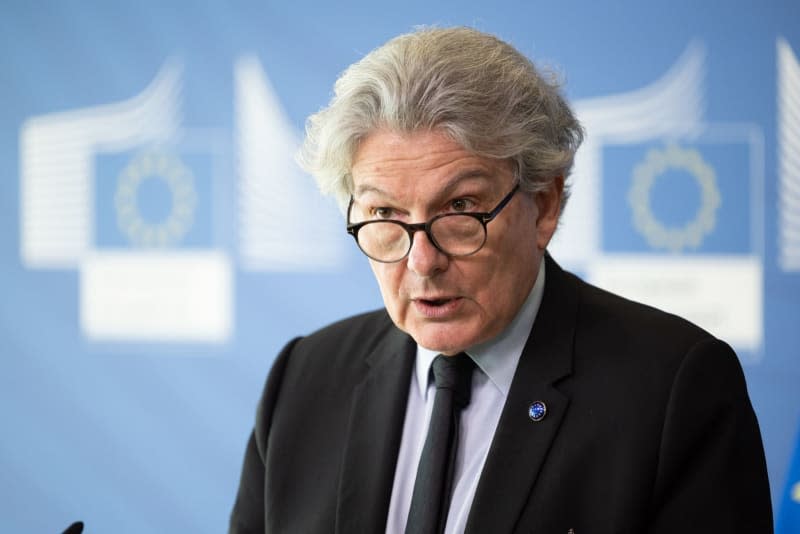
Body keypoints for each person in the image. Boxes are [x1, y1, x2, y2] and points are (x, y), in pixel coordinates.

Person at [229, 27, 772, 533]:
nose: (422, 261)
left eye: (461, 208)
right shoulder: (303, 379)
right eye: (385, 216)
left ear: (544, 205)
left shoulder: (674, 392)